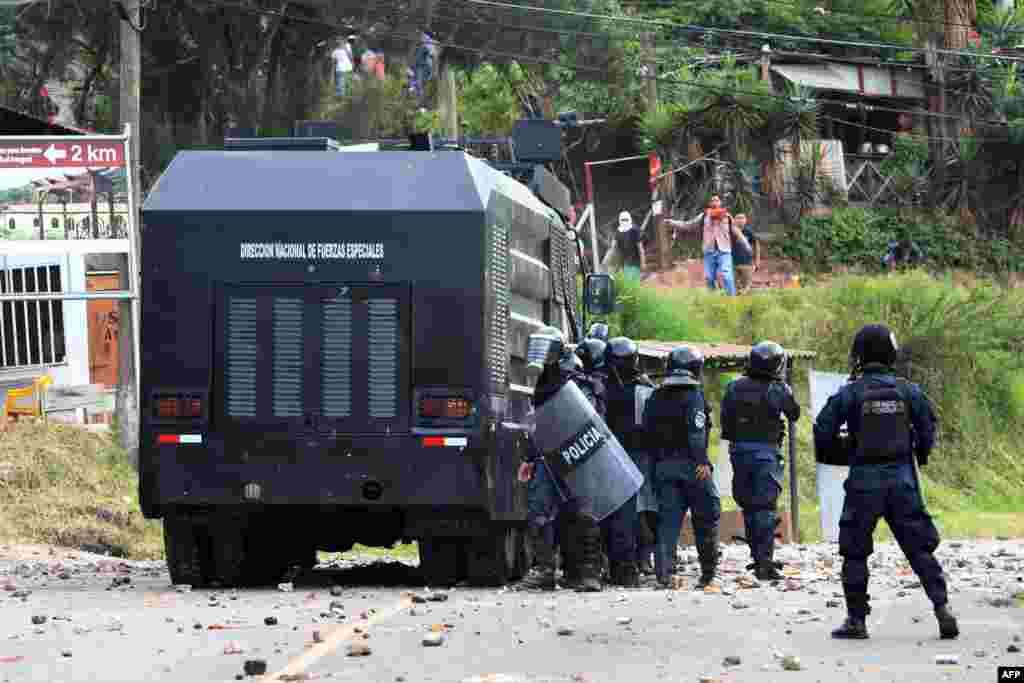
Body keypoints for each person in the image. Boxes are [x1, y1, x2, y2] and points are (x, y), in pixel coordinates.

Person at [813, 324, 958, 641]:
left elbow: (822, 432)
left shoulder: (849, 392)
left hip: (864, 481)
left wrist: (846, 452)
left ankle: (856, 621)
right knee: (920, 549)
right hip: (902, 480)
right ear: (892, 354)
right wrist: (918, 454)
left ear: (859, 356)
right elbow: (928, 429)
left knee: (854, 552)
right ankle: (942, 609)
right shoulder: (909, 391)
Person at [514, 326, 604, 593]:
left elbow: (591, 420)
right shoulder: (544, 382)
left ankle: (589, 573)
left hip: (576, 456)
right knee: (538, 511)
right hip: (548, 456)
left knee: (584, 515)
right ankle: (544, 570)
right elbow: (537, 422)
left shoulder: (579, 382)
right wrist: (530, 458)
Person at [720, 341, 800, 581]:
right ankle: (764, 562)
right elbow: (794, 413)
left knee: (749, 506)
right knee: (764, 507)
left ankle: (758, 557)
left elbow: (726, 421)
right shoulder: (777, 388)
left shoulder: (734, 386)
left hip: (739, 452)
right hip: (765, 452)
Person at [644, 346, 721, 589]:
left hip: (664, 467)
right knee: (706, 516)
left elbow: (647, 431)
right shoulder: (694, 396)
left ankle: (664, 575)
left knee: (667, 523)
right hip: (692, 467)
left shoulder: (655, 396)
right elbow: (696, 433)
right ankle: (708, 574)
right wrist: (701, 461)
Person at [603, 337, 656, 584]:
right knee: (642, 507)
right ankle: (641, 559)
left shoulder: (599, 386)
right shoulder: (644, 388)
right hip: (638, 456)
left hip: (608, 457)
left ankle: (620, 562)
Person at [665, 195, 737, 296]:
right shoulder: (703, 216)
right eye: (712, 200)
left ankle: (732, 299)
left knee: (727, 275)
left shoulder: (727, 216)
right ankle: (712, 300)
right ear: (710, 203)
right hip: (709, 251)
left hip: (724, 251)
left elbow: (735, 232)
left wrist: (745, 246)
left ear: (720, 203)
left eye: (717, 200)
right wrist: (672, 222)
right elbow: (688, 225)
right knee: (709, 278)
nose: (715, 202)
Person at [731, 213, 759, 294]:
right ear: (734, 220)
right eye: (738, 218)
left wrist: (757, 261)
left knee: (746, 287)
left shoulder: (749, 232)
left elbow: (756, 245)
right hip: (733, 263)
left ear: (746, 220)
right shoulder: (731, 232)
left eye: (742, 218)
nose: (740, 220)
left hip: (747, 263)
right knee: (733, 287)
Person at [615, 211, 645, 281]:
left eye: (625, 220)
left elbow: (616, 250)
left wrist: (618, 266)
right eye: (623, 220)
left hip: (629, 263)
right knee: (633, 284)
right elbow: (640, 249)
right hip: (631, 263)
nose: (624, 221)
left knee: (630, 284)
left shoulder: (618, 232)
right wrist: (643, 263)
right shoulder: (634, 230)